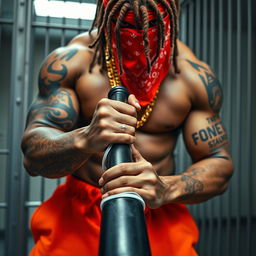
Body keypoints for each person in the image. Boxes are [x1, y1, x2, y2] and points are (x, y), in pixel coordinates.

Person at [21, 0, 233, 255]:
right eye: (126, 24)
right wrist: (85, 138)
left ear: (170, 16)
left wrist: (167, 187)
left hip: (157, 209)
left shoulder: (193, 77)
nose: (138, 36)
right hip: (79, 214)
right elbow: (32, 156)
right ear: (104, 14)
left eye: (151, 24)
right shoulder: (72, 63)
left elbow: (219, 162)